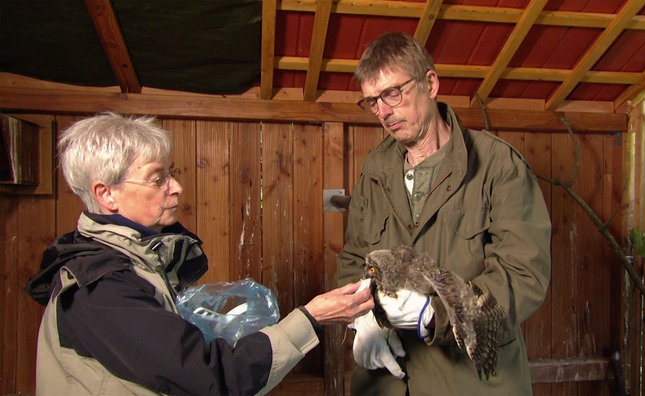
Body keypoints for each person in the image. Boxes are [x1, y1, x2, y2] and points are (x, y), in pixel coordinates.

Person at [25, 112, 374, 395]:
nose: (176, 187)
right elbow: (212, 379)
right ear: (107, 195)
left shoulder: (130, 261)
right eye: (157, 178)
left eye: (171, 174)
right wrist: (311, 317)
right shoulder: (101, 287)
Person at [337, 32, 551, 394]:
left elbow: (523, 274)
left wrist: (435, 315)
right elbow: (354, 258)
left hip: (470, 381)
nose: (384, 112)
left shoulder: (497, 166)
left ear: (430, 84)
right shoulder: (375, 169)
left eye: (392, 93)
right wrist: (362, 319)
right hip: (388, 382)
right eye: (373, 101)